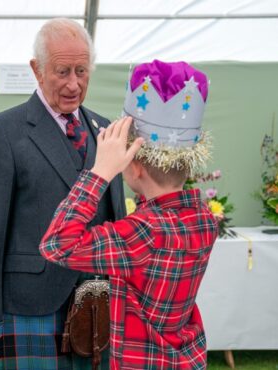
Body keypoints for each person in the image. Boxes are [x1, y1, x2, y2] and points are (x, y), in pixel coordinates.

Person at [40, 60, 219, 369]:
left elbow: (56, 244)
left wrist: (99, 172)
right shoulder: (203, 218)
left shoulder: (142, 232)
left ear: (133, 165)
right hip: (188, 360)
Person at [0, 18, 125, 369]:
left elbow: (116, 217)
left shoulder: (106, 131)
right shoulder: (4, 131)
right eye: (62, 72)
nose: (74, 84)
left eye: (82, 71)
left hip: (98, 304)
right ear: (36, 70)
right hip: (28, 305)